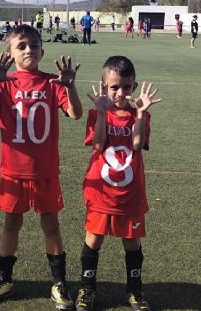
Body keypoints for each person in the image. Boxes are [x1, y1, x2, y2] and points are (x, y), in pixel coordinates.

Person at [0, 25, 83, 309]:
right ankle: (4, 279)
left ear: (42, 51)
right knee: (11, 224)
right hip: (13, 171)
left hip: (44, 171)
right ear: (9, 53)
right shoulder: (4, 83)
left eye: (33, 45)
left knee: (51, 225)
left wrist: (70, 86)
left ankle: (59, 282)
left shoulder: (52, 83)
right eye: (21, 46)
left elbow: (75, 113)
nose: (28, 50)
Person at [76, 55, 161, 311]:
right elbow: (99, 144)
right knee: (94, 239)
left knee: (132, 243)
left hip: (130, 193)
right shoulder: (96, 113)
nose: (120, 93)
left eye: (126, 87)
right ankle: (87, 289)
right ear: (104, 86)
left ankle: (135, 291)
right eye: (114, 87)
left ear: (134, 87)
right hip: (102, 193)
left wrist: (140, 114)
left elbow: (136, 145)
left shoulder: (140, 116)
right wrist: (102, 112)